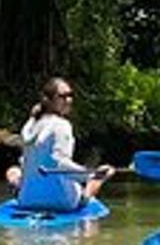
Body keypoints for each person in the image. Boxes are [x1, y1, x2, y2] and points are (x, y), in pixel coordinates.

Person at [14, 76, 115, 211]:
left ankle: (25, 194)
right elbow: (61, 164)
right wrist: (94, 174)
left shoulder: (29, 128)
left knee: (13, 171)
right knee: (102, 175)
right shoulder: (62, 125)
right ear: (47, 100)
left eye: (70, 95)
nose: (69, 100)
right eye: (63, 96)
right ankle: (86, 196)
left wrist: (33, 116)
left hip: (27, 201)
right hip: (61, 202)